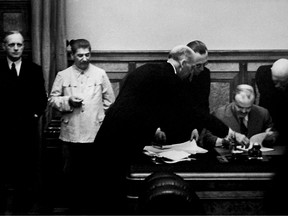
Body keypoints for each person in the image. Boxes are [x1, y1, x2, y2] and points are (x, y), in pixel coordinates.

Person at [90, 45, 248, 214]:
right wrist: (231, 133)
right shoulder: (169, 78)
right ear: (184, 63)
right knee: (114, 197)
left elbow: (139, 107)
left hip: (109, 136)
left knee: (108, 193)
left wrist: (153, 130)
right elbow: (194, 112)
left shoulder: (149, 69)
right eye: (193, 67)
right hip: (119, 144)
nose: (193, 72)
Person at [48, 39, 115, 213]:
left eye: (87, 55)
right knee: (72, 174)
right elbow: (52, 100)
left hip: (95, 132)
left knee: (94, 173)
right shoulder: (63, 75)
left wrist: (100, 117)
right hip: (72, 132)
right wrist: (67, 101)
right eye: (80, 55)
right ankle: (75, 208)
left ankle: (92, 208)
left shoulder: (100, 74)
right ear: (72, 55)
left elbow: (110, 102)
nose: (84, 59)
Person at [0, 31, 47, 214]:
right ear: (4, 46)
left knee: (25, 170)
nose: (16, 48)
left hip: (27, 129)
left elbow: (41, 99)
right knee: (3, 169)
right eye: (12, 45)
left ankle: (23, 208)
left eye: (19, 44)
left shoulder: (34, 69)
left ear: (23, 46)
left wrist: (35, 115)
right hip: (2, 130)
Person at [154, 40, 210, 144]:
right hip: (166, 130)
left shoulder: (205, 74)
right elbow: (157, 105)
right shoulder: (171, 74)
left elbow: (203, 106)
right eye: (198, 65)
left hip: (191, 133)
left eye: (205, 64)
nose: (202, 69)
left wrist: (196, 127)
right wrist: (156, 129)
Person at [203, 84, 277, 149]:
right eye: (240, 107)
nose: (244, 111)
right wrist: (225, 141)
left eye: (248, 108)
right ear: (233, 101)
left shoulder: (263, 113)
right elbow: (207, 139)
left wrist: (270, 136)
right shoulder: (220, 114)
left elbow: (274, 133)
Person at [255, 58, 288, 145]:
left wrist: (278, 131)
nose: (278, 85)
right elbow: (268, 101)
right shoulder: (263, 74)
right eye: (275, 81)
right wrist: (269, 126)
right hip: (268, 116)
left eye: (283, 83)